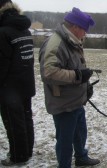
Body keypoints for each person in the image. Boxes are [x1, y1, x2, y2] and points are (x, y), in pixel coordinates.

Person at [39, 7, 100, 168]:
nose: (85, 34)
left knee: (80, 133)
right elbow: (49, 73)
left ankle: (81, 157)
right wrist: (78, 76)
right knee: (65, 140)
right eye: (84, 30)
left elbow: (75, 66)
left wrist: (85, 85)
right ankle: (64, 165)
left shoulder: (72, 40)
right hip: (63, 104)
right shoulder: (56, 43)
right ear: (75, 27)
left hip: (76, 101)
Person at [0, 0, 35, 166]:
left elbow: (2, 65)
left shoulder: (3, 32)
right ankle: (27, 151)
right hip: (26, 82)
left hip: (9, 87)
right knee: (26, 118)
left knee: (14, 123)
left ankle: (18, 156)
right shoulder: (25, 30)